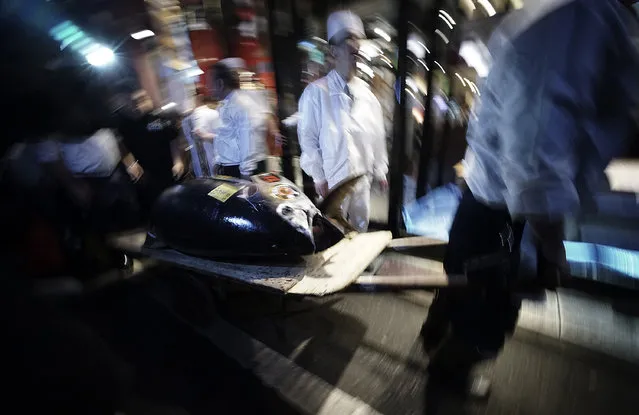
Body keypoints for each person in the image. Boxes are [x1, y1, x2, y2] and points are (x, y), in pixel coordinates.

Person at [422, 0, 639, 399]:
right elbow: (535, 156)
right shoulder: (574, 19)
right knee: (487, 322)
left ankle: (436, 340)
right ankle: (445, 378)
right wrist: (552, 244)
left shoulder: (574, 14)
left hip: (490, 199)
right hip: (501, 211)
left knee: (462, 289)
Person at [297, 10, 388, 232]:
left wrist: (380, 170)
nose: (354, 46)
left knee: (360, 228)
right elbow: (308, 138)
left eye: (357, 40)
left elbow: (377, 135)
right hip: (333, 182)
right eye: (348, 39)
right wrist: (318, 176)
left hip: (361, 181)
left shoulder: (367, 95)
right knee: (334, 233)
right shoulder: (316, 93)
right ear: (333, 51)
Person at [116, 89, 185, 214]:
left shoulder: (160, 119)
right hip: (143, 173)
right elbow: (122, 146)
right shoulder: (126, 124)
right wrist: (131, 164)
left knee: (172, 203)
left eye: (142, 99)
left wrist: (178, 161)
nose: (139, 104)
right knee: (150, 206)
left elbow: (173, 140)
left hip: (166, 169)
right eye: (135, 101)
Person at [208, 60, 267, 178]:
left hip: (240, 168)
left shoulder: (240, 104)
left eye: (210, 83)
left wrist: (245, 173)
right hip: (230, 166)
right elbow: (223, 137)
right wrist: (217, 161)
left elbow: (247, 141)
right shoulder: (223, 105)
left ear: (220, 83)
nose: (208, 87)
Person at [183, 85, 219, 177]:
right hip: (199, 170)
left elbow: (225, 138)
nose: (188, 99)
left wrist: (206, 136)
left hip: (216, 166)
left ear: (199, 96)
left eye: (190, 95)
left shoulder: (213, 114)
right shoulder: (186, 121)